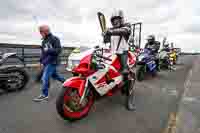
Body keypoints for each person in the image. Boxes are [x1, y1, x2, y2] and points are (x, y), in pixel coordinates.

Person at [103, 10, 136, 111]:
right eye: (113, 20)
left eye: (117, 19)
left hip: (123, 53)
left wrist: (110, 31)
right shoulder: (111, 29)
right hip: (112, 53)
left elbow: (125, 31)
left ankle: (128, 100)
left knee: (125, 73)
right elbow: (106, 41)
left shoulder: (127, 26)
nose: (115, 22)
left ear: (121, 19)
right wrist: (105, 34)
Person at [33, 25, 65, 102]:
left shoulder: (55, 39)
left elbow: (58, 50)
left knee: (45, 78)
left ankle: (44, 94)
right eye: (40, 32)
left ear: (46, 31)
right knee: (55, 76)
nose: (40, 33)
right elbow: (43, 53)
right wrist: (40, 61)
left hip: (53, 61)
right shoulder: (43, 41)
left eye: (41, 32)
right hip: (46, 62)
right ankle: (67, 83)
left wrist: (49, 50)